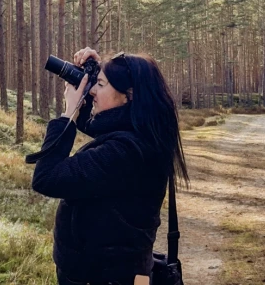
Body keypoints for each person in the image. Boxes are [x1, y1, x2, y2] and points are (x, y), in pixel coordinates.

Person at [31, 47, 189, 285]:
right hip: (111, 273)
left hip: (105, 277)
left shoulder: (127, 152)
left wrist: (67, 114)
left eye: (101, 85)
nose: (93, 90)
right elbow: (101, 125)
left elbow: (47, 177)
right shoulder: (141, 133)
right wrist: (98, 73)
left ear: (129, 95)